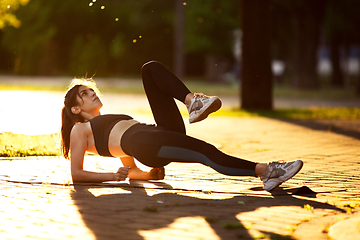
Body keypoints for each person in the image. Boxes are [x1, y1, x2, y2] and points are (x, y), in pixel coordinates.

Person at [61, 61, 303, 191]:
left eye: (91, 90)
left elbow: (130, 169)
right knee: (206, 152)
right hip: (145, 142)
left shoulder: (107, 123)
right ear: (75, 109)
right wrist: (112, 177)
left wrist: (148, 175)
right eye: (84, 93)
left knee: (150, 69)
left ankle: (193, 102)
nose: (92, 93)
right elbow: (77, 175)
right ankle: (267, 172)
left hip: (156, 133)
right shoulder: (79, 130)